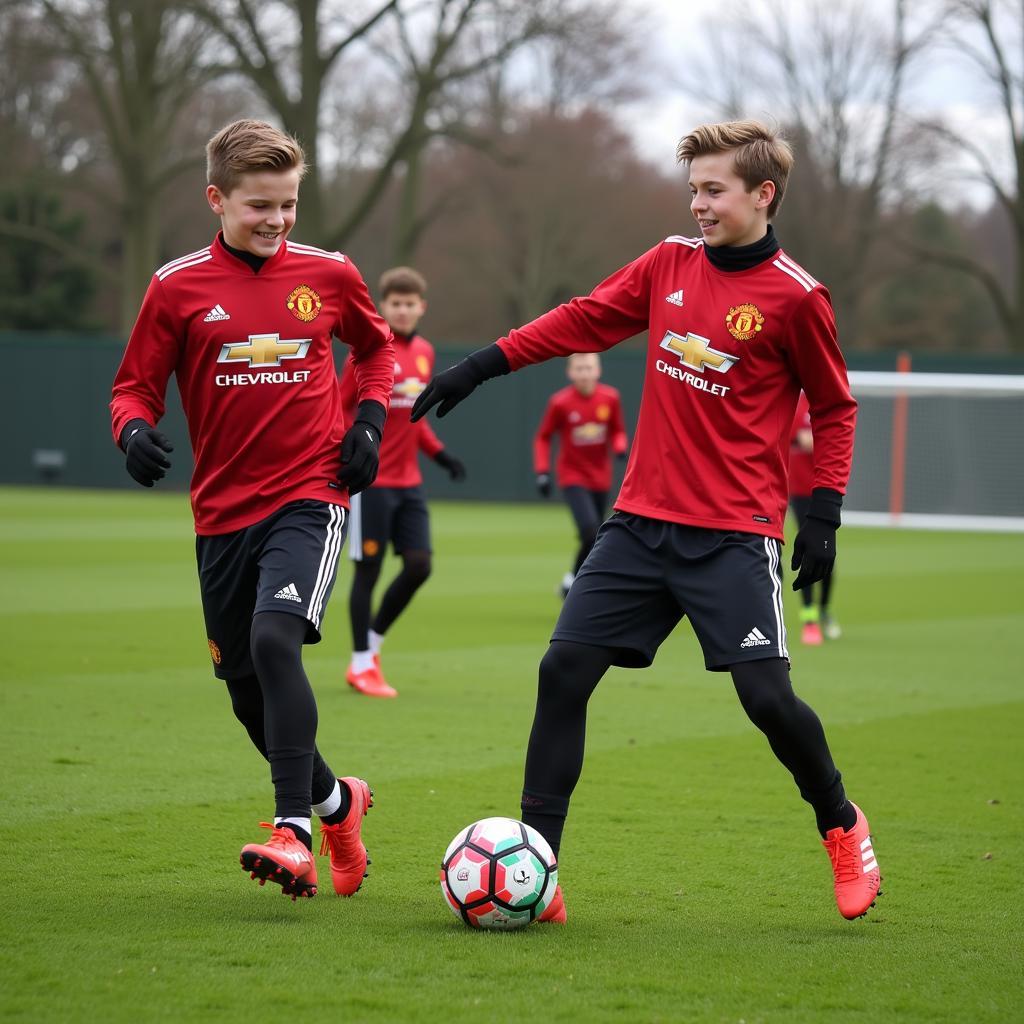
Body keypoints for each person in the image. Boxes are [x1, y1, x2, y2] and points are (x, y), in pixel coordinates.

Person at [413, 120, 881, 924]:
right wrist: (483, 364)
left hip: (734, 536)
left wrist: (826, 512)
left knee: (767, 700)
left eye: (714, 190)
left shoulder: (799, 298)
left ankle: (841, 823)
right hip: (637, 525)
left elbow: (834, 406)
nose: (697, 204)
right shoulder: (667, 263)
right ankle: (539, 875)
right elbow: (583, 318)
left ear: (763, 194)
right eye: (692, 188)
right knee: (561, 674)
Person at [110, 119, 395, 900]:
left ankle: (292, 834)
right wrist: (133, 431)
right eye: (259, 206)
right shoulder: (175, 287)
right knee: (243, 693)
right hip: (220, 514)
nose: (276, 220)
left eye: (289, 205)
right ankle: (339, 804)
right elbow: (134, 385)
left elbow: (375, 352)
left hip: (310, 493)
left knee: (277, 641)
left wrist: (369, 420)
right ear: (217, 200)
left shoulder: (331, 274)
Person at [338, 266, 467, 698]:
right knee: (368, 572)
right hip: (370, 483)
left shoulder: (427, 353)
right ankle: (360, 665)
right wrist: (348, 455)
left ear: (422, 307)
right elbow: (339, 411)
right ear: (383, 306)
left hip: (410, 482)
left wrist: (441, 454)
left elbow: (416, 417)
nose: (404, 310)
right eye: (396, 303)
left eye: (411, 303)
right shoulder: (367, 351)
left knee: (419, 564)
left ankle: (371, 646)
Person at [534, 353, 627, 597]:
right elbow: (543, 437)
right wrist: (542, 471)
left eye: (589, 368)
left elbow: (618, 430)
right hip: (572, 476)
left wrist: (619, 448)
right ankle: (576, 582)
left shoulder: (610, 398)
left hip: (601, 478)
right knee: (589, 530)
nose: (584, 373)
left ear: (598, 371)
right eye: (579, 368)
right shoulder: (560, 403)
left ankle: (571, 581)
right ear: (570, 372)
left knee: (596, 537)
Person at [789, 391, 840, 644]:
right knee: (807, 549)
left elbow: (837, 439)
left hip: (824, 491)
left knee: (826, 551)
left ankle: (824, 609)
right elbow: (791, 434)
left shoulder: (826, 399)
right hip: (798, 489)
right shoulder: (794, 401)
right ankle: (809, 618)